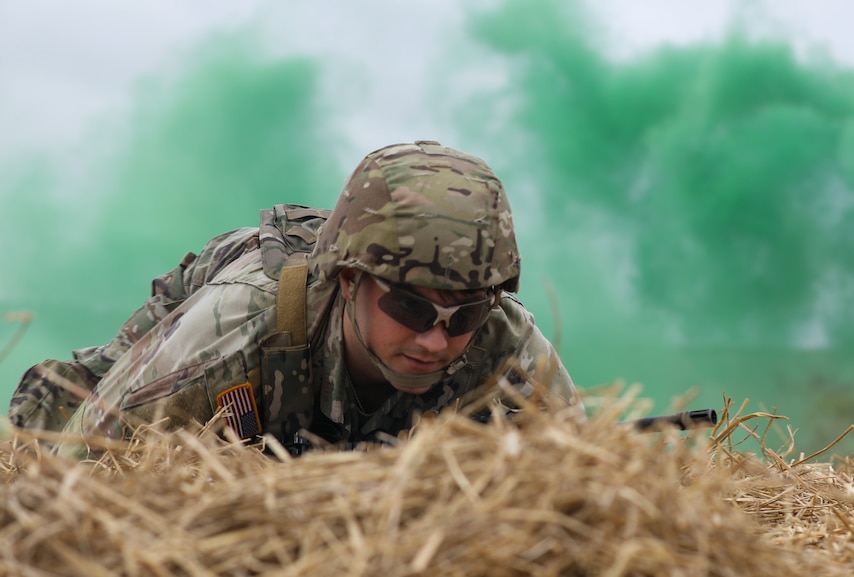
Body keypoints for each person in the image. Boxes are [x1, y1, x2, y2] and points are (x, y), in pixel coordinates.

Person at [8, 140, 581, 453]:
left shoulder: (506, 344)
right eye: (410, 307)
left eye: (466, 315)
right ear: (350, 280)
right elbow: (82, 462)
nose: (436, 339)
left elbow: (584, 488)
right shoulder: (235, 328)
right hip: (205, 325)